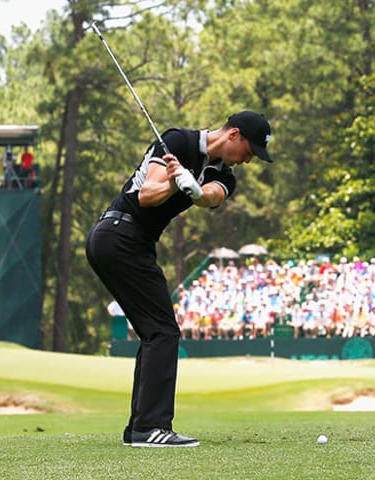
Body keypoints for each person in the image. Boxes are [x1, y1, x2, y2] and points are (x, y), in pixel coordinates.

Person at [85, 111, 273, 448]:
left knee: (154, 332)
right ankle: (150, 427)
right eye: (249, 150)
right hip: (118, 235)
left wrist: (196, 190)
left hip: (135, 244)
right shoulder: (176, 141)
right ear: (234, 135)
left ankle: (139, 429)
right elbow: (146, 195)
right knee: (162, 331)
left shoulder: (225, 175)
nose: (248, 160)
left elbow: (213, 196)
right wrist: (175, 181)